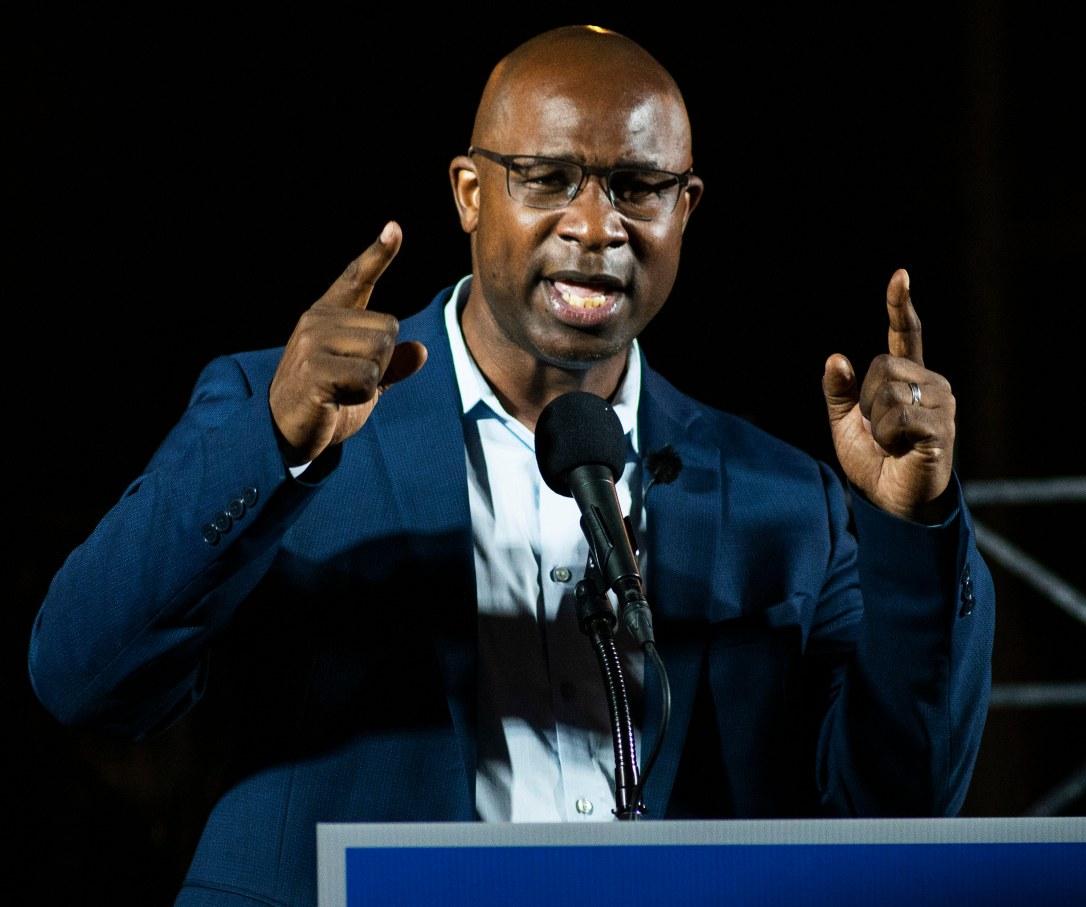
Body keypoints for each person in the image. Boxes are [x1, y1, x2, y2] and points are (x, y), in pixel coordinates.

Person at [28, 24, 995, 907]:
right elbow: (84, 678)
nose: (595, 225)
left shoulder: (786, 499)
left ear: (685, 207)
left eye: (637, 187)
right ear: (469, 192)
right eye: (547, 178)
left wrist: (914, 531)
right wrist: (275, 448)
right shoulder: (287, 412)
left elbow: (899, 807)